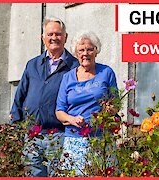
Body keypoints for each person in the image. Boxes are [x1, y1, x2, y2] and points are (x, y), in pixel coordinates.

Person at [10, 16, 79, 177]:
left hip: (59, 136)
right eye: (50, 34)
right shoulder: (32, 64)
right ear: (43, 38)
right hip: (32, 136)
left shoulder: (74, 67)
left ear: (65, 37)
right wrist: (14, 128)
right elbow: (20, 96)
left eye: (58, 34)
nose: (54, 38)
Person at [56, 31, 118, 175]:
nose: (86, 53)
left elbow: (115, 104)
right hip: (74, 139)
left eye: (90, 49)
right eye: (81, 50)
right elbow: (59, 111)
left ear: (96, 51)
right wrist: (72, 119)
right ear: (76, 54)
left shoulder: (107, 72)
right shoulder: (67, 78)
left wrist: (105, 113)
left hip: (101, 139)